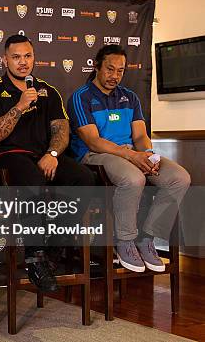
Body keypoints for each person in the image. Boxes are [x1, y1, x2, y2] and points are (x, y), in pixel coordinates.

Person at [0, 34, 95, 292]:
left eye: (27, 56)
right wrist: (19, 106)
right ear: (4, 60)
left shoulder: (48, 91)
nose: (23, 62)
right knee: (33, 178)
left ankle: (54, 248)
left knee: (83, 178)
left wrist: (52, 154)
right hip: (7, 157)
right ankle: (34, 256)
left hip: (42, 156)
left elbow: (62, 130)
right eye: (16, 57)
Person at [67, 44, 191, 273]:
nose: (115, 76)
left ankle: (147, 237)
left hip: (131, 153)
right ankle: (124, 241)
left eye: (120, 71)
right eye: (110, 69)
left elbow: (141, 135)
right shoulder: (81, 97)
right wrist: (132, 156)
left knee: (180, 178)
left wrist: (148, 155)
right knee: (134, 179)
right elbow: (93, 141)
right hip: (96, 156)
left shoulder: (130, 97)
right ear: (96, 67)